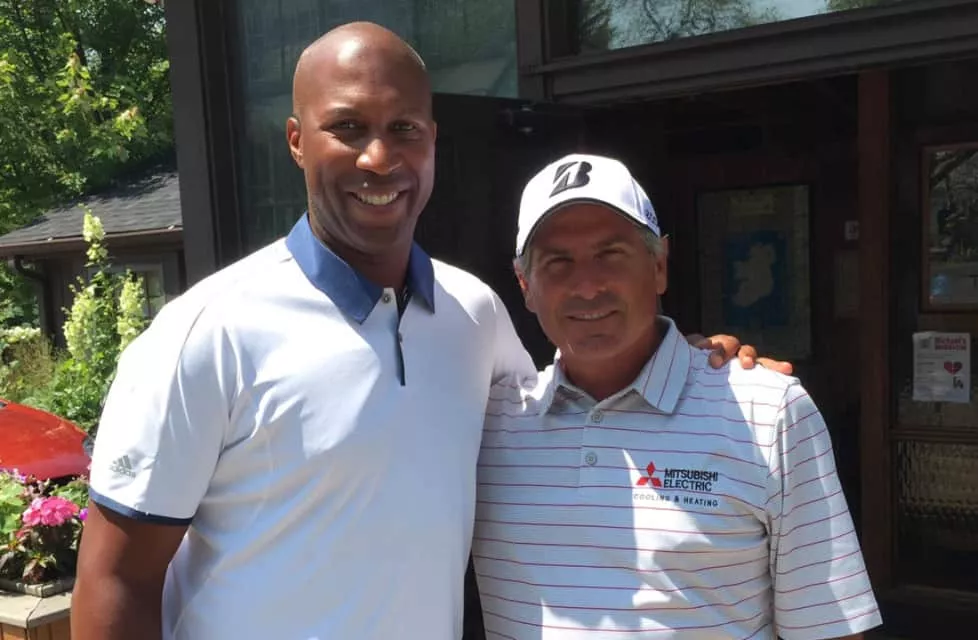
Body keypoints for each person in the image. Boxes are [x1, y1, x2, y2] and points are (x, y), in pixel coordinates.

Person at [71, 23, 785, 640]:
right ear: (296, 141)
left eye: (403, 128)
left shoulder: (475, 313)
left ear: (433, 140)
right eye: (347, 128)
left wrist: (698, 366)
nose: (379, 158)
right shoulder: (207, 332)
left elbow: (576, 414)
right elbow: (117, 581)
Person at [472, 153, 881, 639]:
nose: (588, 286)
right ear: (525, 285)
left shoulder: (768, 411)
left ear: (659, 264)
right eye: (558, 262)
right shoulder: (486, 423)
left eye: (610, 254)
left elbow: (829, 628)